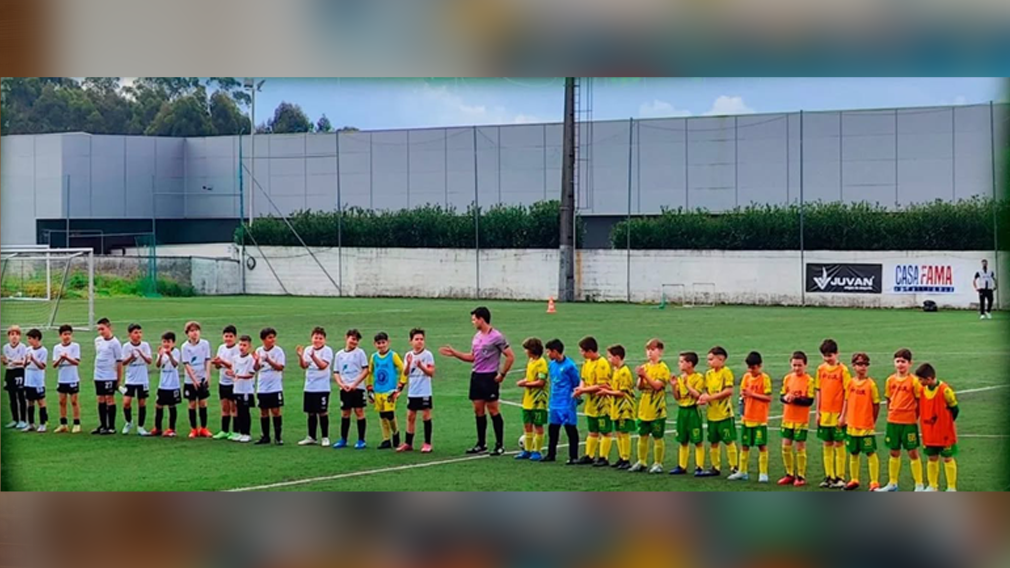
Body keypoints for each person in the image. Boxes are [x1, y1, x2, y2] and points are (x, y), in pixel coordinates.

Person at [439, 306, 515, 456]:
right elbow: (472, 357)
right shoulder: (476, 337)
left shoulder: (497, 337)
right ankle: (481, 444)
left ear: (481, 319)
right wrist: (455, 354)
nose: (473, 322)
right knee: (478, 410)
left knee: (493, 410)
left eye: (474, 319)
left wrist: (502, 374)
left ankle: (500, 444)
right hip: (477, 376)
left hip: (489, 377)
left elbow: (510, 356)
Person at [875, 348, 925, 492]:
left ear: (910, 364)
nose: (900, 364)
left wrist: (914, 417)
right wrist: (891, 413)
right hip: (893, 421)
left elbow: (919, 401)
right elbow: (889, 399)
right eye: (897, 361)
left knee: (912, 452)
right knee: (893, 452)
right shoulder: (890, 380)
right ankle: (892, 483)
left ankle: (919, 484)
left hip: (908, 422)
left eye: (903, 361)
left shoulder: (914, 381)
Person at [838, 352, 881, 491]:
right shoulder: (850, 382)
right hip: (852, 425)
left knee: (870, 452)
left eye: (864, 365)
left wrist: (872, 420)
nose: (862, 367)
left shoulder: (871, 385)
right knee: (853, 452)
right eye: (859, 364)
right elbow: (846, 400)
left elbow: (876, 405)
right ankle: (854, 479)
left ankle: (874, 481)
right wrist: (843, 417)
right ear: (854, 366)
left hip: (865, 425)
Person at [729, 351, 772, 483]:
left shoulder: (765, 378)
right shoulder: (746, 377)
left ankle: (763, 473)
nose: (751, 370)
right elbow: (743, 395)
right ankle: (742, 471)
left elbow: (768, 397)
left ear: (760, 366)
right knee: (745, 445)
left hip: (759, 418)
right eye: (749, 367)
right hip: (747, 417)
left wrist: (752, 394)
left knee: (761, 445)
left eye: (753, 368)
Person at [916, 363, 959, 492]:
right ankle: (932, 486)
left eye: (921, 379)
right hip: (929, 432)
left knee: (947, 458)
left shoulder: (945, 390)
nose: (919, 382)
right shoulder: (922, 390)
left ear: (929, 379)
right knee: (932, 458)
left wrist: (946, 423)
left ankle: (951, 487)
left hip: (944, 432)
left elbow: (955, 409)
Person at [815, 339, 852, 489]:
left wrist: (844, 415)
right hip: (824, 413)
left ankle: (840, 476)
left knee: (839, 443)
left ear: (837, 354)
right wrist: (817, 412)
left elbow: (847, 393)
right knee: (827, 444)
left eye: (830, 355)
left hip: (837, 413)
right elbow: (818, 390)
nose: (827, 358)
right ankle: (829, 476)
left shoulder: (843, 370)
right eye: (824, 355)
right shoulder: (821, 369)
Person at [696, 346, 738, 477]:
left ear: (721, 359)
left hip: (724, 414)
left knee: (728, 440)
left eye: (711, 359)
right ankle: (715, 467)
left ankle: (734, 467)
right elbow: (707, 392)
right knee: (713, 441)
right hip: (712, 414)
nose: (709, 362)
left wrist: (710, 397)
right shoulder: (708, 374)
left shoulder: (726, 372)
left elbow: (729, 391)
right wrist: (703, 399)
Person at [631, 338, 670, 474]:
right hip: (644, 407)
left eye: (652, 350)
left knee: (657, 436)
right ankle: (641, 461)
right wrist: (641, 377)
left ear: (660, 351)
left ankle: (658, 463)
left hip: (657, 409)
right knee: (642, 435)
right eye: (648, 350)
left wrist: (645, 375)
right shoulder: (645, 366)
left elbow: (657, 386)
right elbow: (639, 387)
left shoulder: (663, 368)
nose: (649, 353)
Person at [574, 336, 613, 466]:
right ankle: (589, 455)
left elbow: (601, 385)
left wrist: (583, 391)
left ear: (590, 350)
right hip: (591, 403)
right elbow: (584, 378)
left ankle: (604, 457)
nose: (582, 353)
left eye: (583, 351)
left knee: (605, 431)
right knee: (592, 430)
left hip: (602, 403)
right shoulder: (587, 362)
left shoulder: (602, 363)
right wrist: (581, 387)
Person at [396, 328, 436, 453]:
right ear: (411, 341)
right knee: (410, 416)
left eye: (421, 339)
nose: (419, 342)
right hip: (413, 391)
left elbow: (431, 372)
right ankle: (408, 443)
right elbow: (406, 373)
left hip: (425, 391)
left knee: (426, 415)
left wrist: (421, 367)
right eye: (417, 339)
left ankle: (427, 443)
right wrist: (408, 364)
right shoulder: (409, 355)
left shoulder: (428, 355)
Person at [779, 351, 815, 487]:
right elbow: (781, 396)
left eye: (799, 365)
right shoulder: (788, 378)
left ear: (805, 365)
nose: (796, 368)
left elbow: (809, 401)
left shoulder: (809, 380)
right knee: (785, 447)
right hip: (787, 418)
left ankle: (800, 476)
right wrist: (786, 398)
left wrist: (796, 398)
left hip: (801, 420)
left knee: (800, 447)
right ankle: (789, 474)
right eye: (794, 365)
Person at [543, 338, 580, 464]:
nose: (547, 355)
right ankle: (551, 454)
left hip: (567, 402)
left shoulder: (570, 366)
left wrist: (575, 397)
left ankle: (573, 456)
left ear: (555, 351)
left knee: (570, 429)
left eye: (548, 352)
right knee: (553, 429)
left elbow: (576, 382)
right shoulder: (552, 365)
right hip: (554, 401)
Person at [297, 327, 335, 447]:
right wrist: (300, 356)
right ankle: (311, 436)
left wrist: (313, 357)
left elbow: (323, 365)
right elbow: (304, 366)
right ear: (311, 338)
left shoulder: (327, 350)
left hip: (322, 387)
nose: (317, 340)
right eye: (315, 338)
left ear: (324, 340)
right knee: (310, 412)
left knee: (322, 412)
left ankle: (325, 437)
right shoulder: (308, 349)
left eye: (320, 338)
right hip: (309, 386)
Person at [670, 351, 705, 476]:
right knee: (683, 439)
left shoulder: (698, 377)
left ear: (690, 364)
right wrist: (674, 386)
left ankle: (699, 466)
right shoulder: (680, 378)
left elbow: (698, 395)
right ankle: (682, 465)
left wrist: (686, 384)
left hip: (693, 410)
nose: (679, 364)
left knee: (697, 440)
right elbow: (677, 397)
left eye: (681, 361)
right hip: (682, 410)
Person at [332, 329, 369, 449]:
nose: (354, 342)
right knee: (345, 413)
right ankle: (343, 439)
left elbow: (365, 370)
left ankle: (361, 440)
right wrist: (341, 384)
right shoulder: (339, 355)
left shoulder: (360, 353)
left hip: (357, 388)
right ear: (346, 338)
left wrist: (355, 384)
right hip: (345, 388)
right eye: (353, 339)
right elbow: (336, 372)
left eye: (356, 340)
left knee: (359, 412)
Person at [367, 331, 403, 450]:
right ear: (375, 344)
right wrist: (369, 388)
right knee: (382, 415)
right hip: (378, 390)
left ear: (388, 342)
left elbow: (404, 369)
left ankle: (395, 432)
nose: (381, 345)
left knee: (389, 414)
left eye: (383, 342)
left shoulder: (393, 355)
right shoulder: (374, 357)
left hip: (390, 391)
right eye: (378, 343)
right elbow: (370, 372)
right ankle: (386, 439)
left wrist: (400, 386)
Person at [602, 345, 636, 470]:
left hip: (624, 408)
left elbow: (622, 392)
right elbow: (615, 389)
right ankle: (622, 457)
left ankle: (626, 458)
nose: (609, 360)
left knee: (624, 432)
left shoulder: (624, 372)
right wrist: (607, 388)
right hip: (616, 407)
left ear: (617, 357)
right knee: (619, 433)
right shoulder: (616, 371)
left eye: (610, 357)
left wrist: (607, 392)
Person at [515, 337, 549, 461]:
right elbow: (530, 379)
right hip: (528, 401)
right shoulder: (531, 361)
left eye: (526, 349)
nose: (525, 352)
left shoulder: (542, 363)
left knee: (538, 426)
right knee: (527, 425)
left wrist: (525, 384)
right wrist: (523, 381)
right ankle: (527, 450)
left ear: (532, 350)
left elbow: (541, 382)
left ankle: (537, 451)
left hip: (538, 401)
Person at [254, 327, 286, 445]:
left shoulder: (278, 351)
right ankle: (265, 436)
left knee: (276, 411)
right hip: (262, 386)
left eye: (273, 337)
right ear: (263, 339)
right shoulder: (259, 350)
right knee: (263, 411)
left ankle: (278, 437)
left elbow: (280, 367)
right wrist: (256, 362)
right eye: (270, 337)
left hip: (275, 386)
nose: (273, 340)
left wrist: (268, 360)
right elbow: (256, 369)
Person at [181, 321, 213, 438]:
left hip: (202, 378)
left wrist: (208, 375)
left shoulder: (205, 344)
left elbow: (208, 360)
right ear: (187, 333)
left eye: (196, 330)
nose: (195, 333)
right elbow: (187, 364)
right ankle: (193, 429)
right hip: (190, 380)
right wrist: (194, 380)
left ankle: (204, 428)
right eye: (192, 331)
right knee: (192, 403)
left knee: (203, 403)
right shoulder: (185, 347)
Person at [92, 318, 123, 435]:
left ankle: (111, 426)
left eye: (102, 329)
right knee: (100, 398)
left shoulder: (115, 343)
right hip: (98, 375)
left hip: (109, 375)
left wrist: (118, 379)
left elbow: (119, 362)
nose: (100, 332)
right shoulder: (97, 341)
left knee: (109, 398)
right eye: (99, 329)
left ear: (109, 328)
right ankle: (103, 425)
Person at [121, 323, 153, 436]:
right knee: (126, 403)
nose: (138, 335)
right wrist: (131, 357)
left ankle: (141, 427)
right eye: (135, 333)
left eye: (140, 332)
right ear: (130, 334)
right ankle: (129, 422)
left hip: (142, 379)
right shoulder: (126, 347)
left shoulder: (145, 345)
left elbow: (149, 361)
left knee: (142, 403)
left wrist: (141, 354)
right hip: (130, 379)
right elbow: (123, 363)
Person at [211, 325, 240, 440]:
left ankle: (235, 431)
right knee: (224, 407)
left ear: (235, 337)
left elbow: (236, 365)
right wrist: (217, 363)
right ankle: (224, 430)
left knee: (234, 408)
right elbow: (219, 367)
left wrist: (222, 361)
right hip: (222, 381)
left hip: (233, 382)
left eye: (230, 336)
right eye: (226, 336)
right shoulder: (221, 348)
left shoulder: (237, 349)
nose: (228, 338)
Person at [151, 332, 182, 437]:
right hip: (163, 384)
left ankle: (172, 429)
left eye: (168, 342)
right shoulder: (161, 352)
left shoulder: (176, 351)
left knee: (171, 405)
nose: (166, 344)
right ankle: (158, 428)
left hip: (173, 384)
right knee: (158, 405)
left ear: (173, 343)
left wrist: (170, 355)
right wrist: (160, 356)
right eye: (164, 341)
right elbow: (158, 365)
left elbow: (175, 364)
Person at [52, 325, 82, 433]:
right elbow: (54, 365)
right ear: (60, 335)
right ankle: (63, 424)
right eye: (65, 334)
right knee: (62, 401)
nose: (67, 337)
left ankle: (77, 423)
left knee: (74, 401)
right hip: (62, 378)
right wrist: (60, 358)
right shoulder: (57, 348)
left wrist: (67, 358)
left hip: (73, 377)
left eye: (69, 334)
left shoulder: (75, 346)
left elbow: (77, 362)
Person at [232, 335, 257, 443]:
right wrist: (232, 374)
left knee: (245, 411)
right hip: (237, 388)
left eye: (244, 345)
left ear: (249, 346)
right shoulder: (235, 358)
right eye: (240, 344)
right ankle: (240, 432)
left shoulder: (251, 359)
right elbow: (235, 372)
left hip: (246, 389)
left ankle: (247, 433)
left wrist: (240, 376)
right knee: (239, 410)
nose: (242, 347)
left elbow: (251, 374)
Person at [23, 329, 49, 432]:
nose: (28, 341)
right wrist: (26, 362)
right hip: (28, 379)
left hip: (38, 380)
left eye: (30, 338)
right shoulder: (28, 349)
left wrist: (33, 359)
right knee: (29, 401)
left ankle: (43, 423)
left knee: (41, 401)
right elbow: (23, 364)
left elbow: (42, 366)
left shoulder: (43, 350)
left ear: (37, 338)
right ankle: (31, 423)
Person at [3, 325, 28, 430]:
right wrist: (6, 362)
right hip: (9, 372)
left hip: (19, 372)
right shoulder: (5, 347)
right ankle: (15, 419)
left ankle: (23, 420)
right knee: (11, 397)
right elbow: (5, 362)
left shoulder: (23, 347)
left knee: (21, 397)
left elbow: (23, 362)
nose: (14, 337)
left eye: (16, 334)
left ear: (20, 336)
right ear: (8, 336)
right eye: (12, 334)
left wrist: (12, 362)